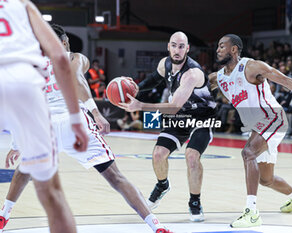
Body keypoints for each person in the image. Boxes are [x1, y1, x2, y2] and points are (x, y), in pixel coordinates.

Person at [0, 24, 172, 233]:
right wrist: (97, 114)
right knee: (116, 178)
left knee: (23, 172)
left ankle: (4, 215)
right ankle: (156, 226)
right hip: (75, 125)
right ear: (65, 42)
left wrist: (17, 144)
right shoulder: (75, 58)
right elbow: (76, 79)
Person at [211, 34, 292, 228]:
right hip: (258, 126)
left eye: (222, 46)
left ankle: (251, 212)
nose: (217, 49)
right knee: (266, 180)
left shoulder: (251, 67)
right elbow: (196, 84)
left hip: (272, 118)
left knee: (248, 152)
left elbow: (287, 81)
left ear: (234, 49)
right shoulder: (218, 77)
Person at [0, 1, 89, 233]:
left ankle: (3, 215)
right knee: (51, 193)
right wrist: (76, 119)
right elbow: (60, 59)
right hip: (24, 83)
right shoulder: (22, 6)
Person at [118, 31, 217, 222]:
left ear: (187, 49)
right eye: (174, 45)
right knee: (158, 154)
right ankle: (162, 185)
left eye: (181, 46)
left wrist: (140, 106)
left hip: (200, 119)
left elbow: (173, 107)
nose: (177, 50)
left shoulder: (192, 74)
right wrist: (135, 90)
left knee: (192, 156)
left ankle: (194, 202)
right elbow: (154, 79)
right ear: (168, 46)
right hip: (180, 117)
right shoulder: (165, 63)